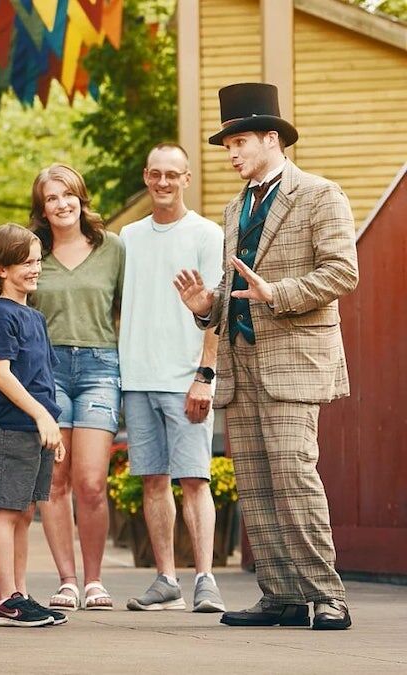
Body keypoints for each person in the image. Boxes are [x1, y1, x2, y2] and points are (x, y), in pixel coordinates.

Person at [175, 82, 358, 630]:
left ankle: (327, 595)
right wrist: (206, 307)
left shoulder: (322, 195)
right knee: (255, 480)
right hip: (241, 362)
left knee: (295, 476)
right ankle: (281, 594)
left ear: (272, 139)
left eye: (239, 143)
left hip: (294, 362)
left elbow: (342, 272)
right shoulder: (235, 208)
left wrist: (276, 292)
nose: (231, 154)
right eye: (227, 145)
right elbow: (236, 294)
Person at [119, 143, 226, 613]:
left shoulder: (206, 234)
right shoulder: (128, 236)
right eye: (156, 174)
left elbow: (217, 311)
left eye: (173, 175)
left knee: (194, 479)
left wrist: (205, 374)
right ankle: (166, 581)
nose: (163, 182)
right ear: (146, 176)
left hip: (186, 377)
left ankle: (205, 579)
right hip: (137, 376)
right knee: (152, 480)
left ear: (186, 179)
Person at [28, 164, 125, 612]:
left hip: (99, 366)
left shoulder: (113, 250)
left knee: (90, 481)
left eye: (68, 195)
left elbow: (124, 312)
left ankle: (94, 580)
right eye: (51, 198)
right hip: (47, 371)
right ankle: (67, 581)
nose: (61, 204)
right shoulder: (32, 254)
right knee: (55, 480)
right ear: (42, 209)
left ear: (81, 199)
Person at [0, 224, 68, 628]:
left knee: (25, 510)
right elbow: (2, 374)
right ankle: (4, 600)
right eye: (25, 263)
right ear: (0, 269)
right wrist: (40, 415)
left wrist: (52, 423)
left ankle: (21, 593)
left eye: (36, 261)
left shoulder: (34, 315)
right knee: (8, 512)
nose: (35, 269)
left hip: (36, 428)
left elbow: (42, 375)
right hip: (14, 427)